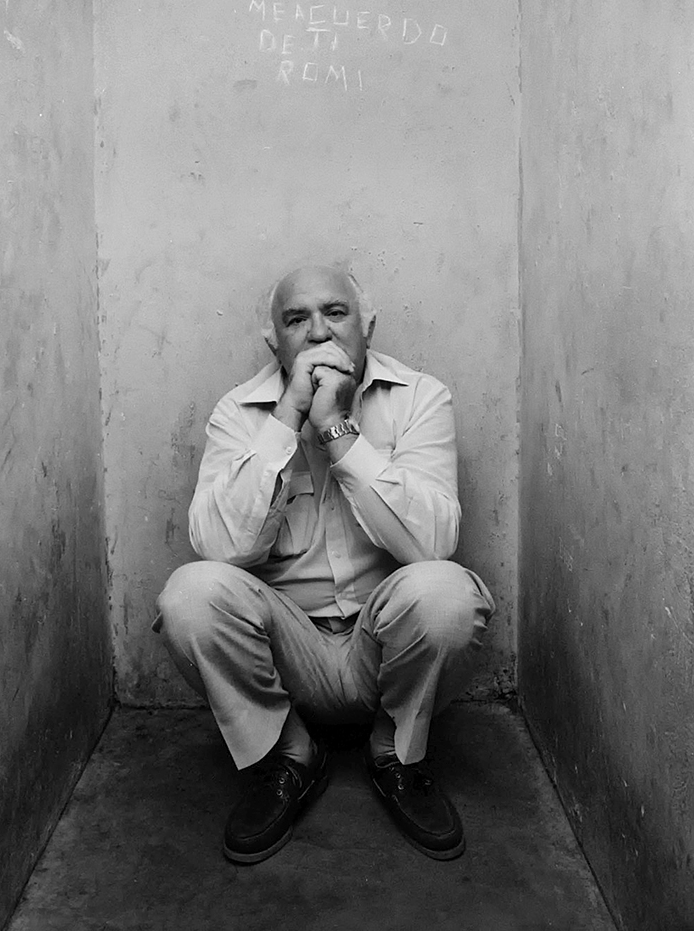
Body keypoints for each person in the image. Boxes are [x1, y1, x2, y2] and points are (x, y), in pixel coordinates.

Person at [154, 264, 495, 864]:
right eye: (296, 320)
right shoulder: (238, 413)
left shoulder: (420, 398)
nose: (318, 333)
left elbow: (432, 543)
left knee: (447, 593)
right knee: (189, 595)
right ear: (274, 342)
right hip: (288, 656)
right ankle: (288, 754)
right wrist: (287, 419)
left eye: (335, 314)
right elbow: (220, 549)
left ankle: (395, 753)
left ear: (366, 325)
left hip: (382, 649)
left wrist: (336, 431)